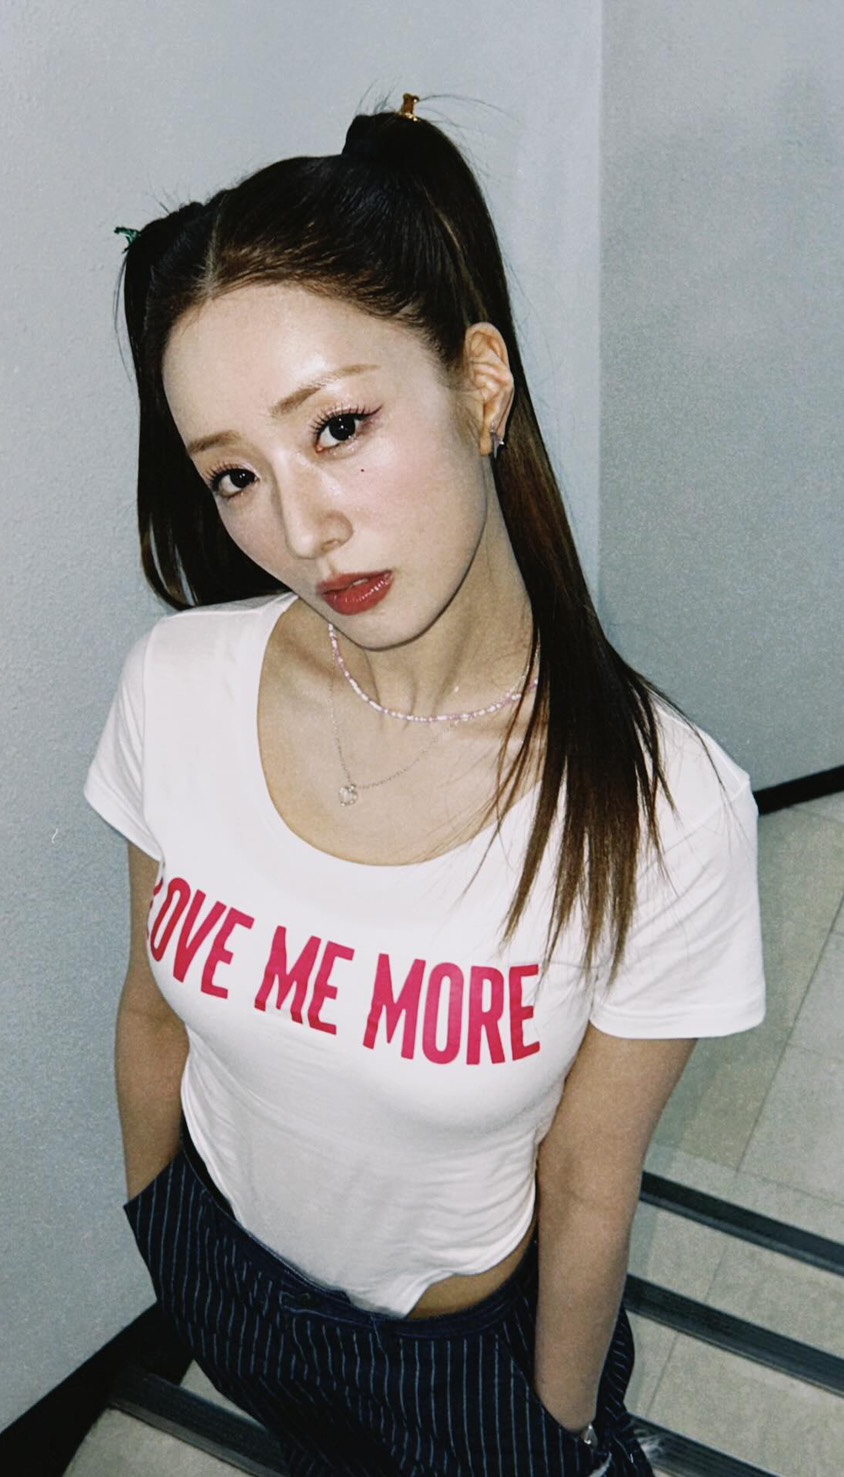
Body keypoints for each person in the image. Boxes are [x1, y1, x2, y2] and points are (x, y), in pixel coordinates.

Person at [86, 95, 765, 1477]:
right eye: (235, 474)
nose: (301, 526)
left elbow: (587, 1180)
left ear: (481, 383)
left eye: (338, 426)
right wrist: (160, 1220)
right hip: (224, 1276)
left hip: (465, 1361)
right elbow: (152, 1005)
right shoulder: (176, 685)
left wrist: (553, 1430)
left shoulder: (667, 808)